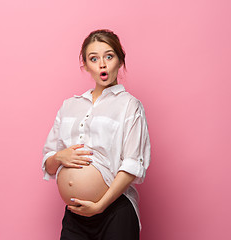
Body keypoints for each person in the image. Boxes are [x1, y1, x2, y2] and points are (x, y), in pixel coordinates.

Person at [42, 29, 151, 240]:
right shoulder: (69, 106)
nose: (102, 64)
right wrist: (59, 157)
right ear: (85, 65)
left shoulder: (129, 106)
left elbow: (131, 165)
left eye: (109, 56)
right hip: (75, 216)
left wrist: (100, 206)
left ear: (120, 61)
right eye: (94, 58)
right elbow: (48, 162)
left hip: (114, 211)